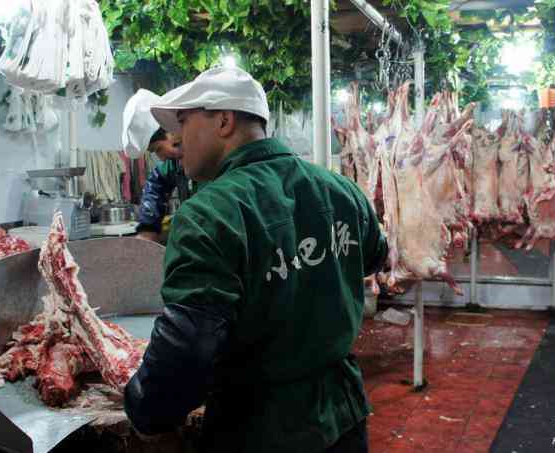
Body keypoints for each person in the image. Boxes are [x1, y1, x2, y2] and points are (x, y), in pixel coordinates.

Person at [124, 66, 388, 453]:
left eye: (184, 121)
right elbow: (374, 257)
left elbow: (189, 348)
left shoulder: (208, 214)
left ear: (224, 121)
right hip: (343, 418)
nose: (178, 137)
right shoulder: (340, 189)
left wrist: (144, 409)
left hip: (258, 429)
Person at [121, 88, 193, 242]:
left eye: (159, 149)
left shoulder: (208, 156)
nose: (161, 158)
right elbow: (156, 183)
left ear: (172, 132)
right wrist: (148, 228)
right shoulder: (175, 163)